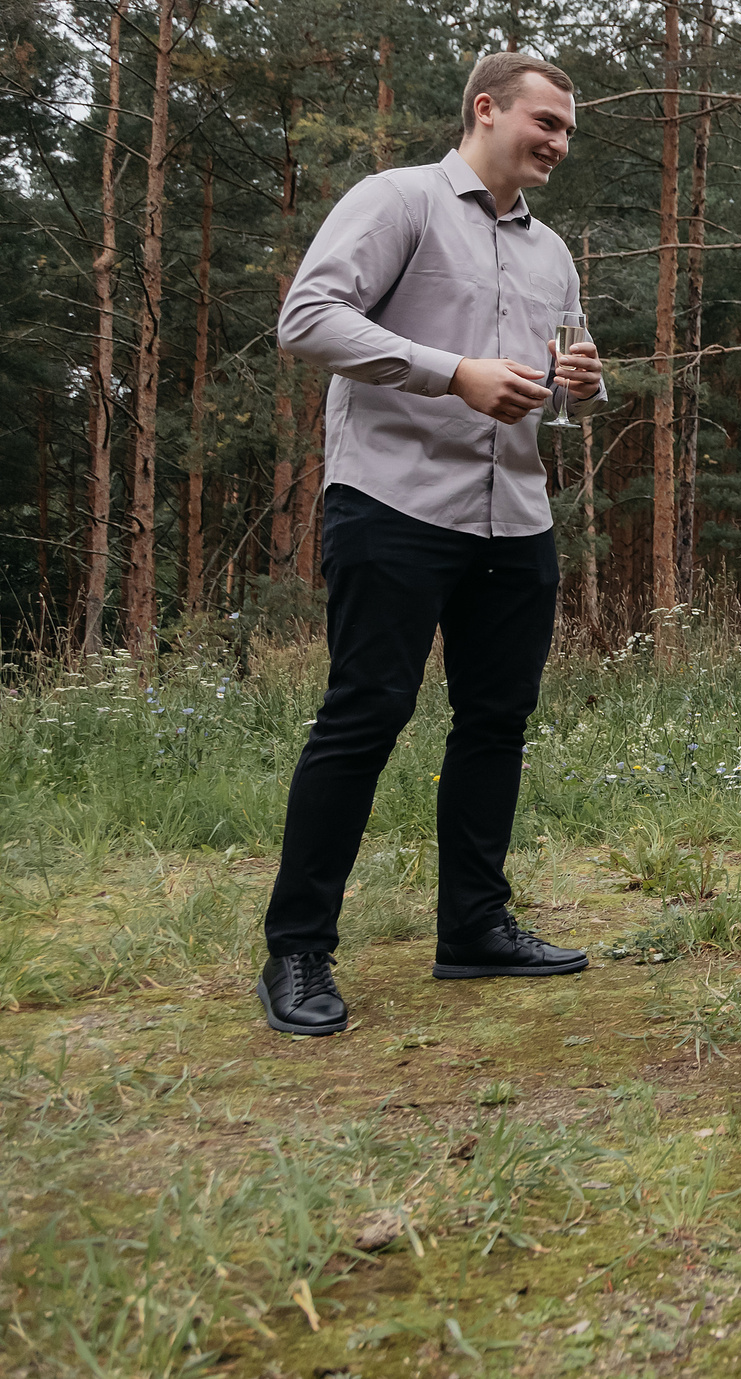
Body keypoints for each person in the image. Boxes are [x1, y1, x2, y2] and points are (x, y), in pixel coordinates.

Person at [255, 52, 606, 1037]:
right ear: (485, 110)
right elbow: (307, 318)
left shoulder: (553, 250)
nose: (558, 143)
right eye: (544, 122)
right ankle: (297, 949)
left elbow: (561, 368)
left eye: (568, 131)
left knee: (497, 725)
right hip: (393, 503)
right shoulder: (396, 200)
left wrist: (583, 380)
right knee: (365, 715)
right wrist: (452, 374)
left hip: (517, 514)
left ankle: (475, 929)